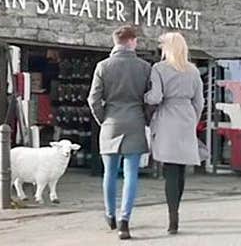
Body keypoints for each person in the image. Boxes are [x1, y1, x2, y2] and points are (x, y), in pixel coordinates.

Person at [87, 25, 152, 240]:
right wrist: (146, 117)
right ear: (132, 41)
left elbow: (93, 100)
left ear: (115, 41)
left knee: (110, 173)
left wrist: (103, 119)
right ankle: (125, 220)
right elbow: (150, 98)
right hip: (134, 120)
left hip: (111, 122)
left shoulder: (102, 66)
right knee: (131, 172)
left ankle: (110, 215)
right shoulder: (144, 67)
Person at [144, 32, 205, 235]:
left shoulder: (159, 68)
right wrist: (193, 119)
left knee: (170, 168)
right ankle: (176, 211)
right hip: (186, 116)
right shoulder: (193, 70)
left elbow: (156, 96)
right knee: (180, 168)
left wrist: (144, 97)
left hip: (168, 116)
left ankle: (173, 218)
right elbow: (200, 101)